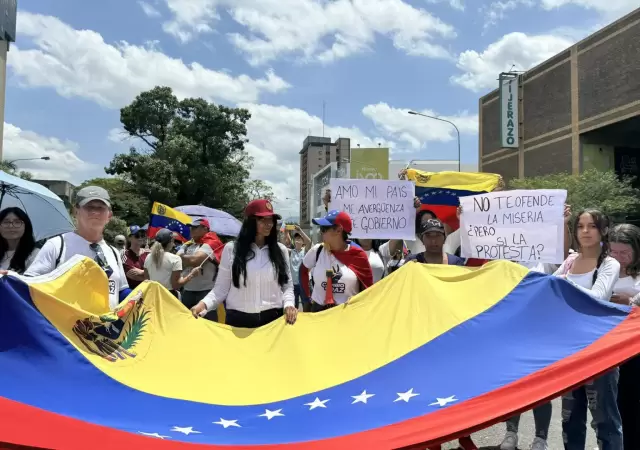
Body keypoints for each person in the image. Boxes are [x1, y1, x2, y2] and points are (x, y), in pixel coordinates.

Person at [554, 209, 621, 450]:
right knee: (570, 420)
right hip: (570, 351)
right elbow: (548, 287)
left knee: (605, 421)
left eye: (591, 226)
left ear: (603, 231)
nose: (585, 231)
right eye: (580, 226)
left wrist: (562, 283)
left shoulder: (609, 263)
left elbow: (598, 297)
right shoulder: (570, 261)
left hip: (600, 351)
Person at [191, 199, 297, 328]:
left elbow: (287, 286)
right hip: (238, 322)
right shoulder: (231, 249)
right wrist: (203, 304)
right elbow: (221, 289)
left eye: (271, 220)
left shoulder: (281, 250)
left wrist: (289, 305)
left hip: (273, 322)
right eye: (262, 219)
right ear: (250, 222)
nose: (269, 224)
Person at [25, 186, 131, 310]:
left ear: (109, 216)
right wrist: (7, 278)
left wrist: (146, 295)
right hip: (63, 326)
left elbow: (121, 291)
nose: (95, 212)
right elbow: (29, 284)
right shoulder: (57, 245)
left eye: (101, 208)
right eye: (89, 207)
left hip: (106, 327)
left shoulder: (113, 253)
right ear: (76, 211)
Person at [299, 210, 373, 312]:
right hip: (318, 312)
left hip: (346, 315)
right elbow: (302, 270)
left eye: (324, 229)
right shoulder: (317, 250)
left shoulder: (358, 256)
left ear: (338, 230)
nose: (321, 232)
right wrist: (306, 300)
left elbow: (368, 290)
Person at [608, 223, 640, 450]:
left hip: (635, 349)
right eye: (613, 252)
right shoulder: (603, 269)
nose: (618, 258)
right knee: (613, 407)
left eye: (624, 253)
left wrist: (630, 303)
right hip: (609, 348)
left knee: (632, 406)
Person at [178, 218, 224, 322]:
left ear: (205, 229)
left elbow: (195, 260)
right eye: (191, 227)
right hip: (187, 291)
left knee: (207, 325)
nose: (191, 229)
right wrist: (184, 258)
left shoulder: (212, 243)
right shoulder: (188, 244)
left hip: (206, 293)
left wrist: (182, 256)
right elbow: (176, 261)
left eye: (195, 227)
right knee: (186, 324)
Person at [144, 228, 199, 297]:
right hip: (168, 297)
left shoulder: (148, 257)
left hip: (152, 295)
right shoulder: (175, 259)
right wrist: (191, 275)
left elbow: (147, 279)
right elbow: (176, 285)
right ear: (171, 241)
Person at [0, 207, 39, 273]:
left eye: (17, 222)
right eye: (6, 222)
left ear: (26, 226)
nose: (11, 226)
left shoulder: (35, 254)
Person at [283, 226, 311, 311]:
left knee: (306, 307)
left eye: (300, 239)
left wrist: (300, 230)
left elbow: (309, 242)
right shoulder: (291, 252)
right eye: (296, 239)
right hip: (293, 285)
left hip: (304, 284)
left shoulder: (305, 251)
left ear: (303, 242)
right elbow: (282, 246)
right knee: (294, 308)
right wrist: (285, 233)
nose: (298, 240)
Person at [122, 225, 148, 290]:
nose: (140, 238)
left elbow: (157, 271)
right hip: (133, 292)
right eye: (137, 235)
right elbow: (134, 276)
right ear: (129, 238)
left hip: (148, 290)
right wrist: (149, 274)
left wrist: (142, 272)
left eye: (142, 235)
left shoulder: (148, 253)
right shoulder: (125, 255)